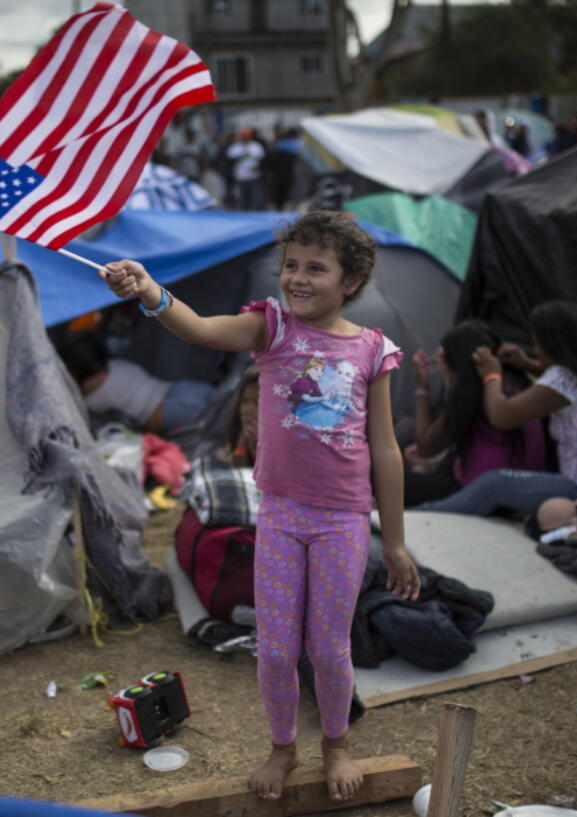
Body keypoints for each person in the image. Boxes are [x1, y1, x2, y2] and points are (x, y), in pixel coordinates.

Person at [99, 210, 420, 802]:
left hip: (343, 521)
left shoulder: (374, 350)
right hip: (280, 515)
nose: (298, 278)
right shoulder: (271, 329)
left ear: (350, 282)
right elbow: (196, 328)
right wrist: (148, 290)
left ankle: (335, 744)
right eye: (291, 265)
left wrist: (394, 541)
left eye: (315, 268)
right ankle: (282, 747)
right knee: (274, 648)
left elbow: (386, 448)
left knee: (327, 647)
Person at [418, 301, 577, 526]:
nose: (535, 350)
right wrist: (528, 364)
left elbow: (501, 416)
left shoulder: (565, 380)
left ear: (555, 346)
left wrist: (491, 374)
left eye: (537, 345)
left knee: (492, 484)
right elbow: (563, 384)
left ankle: (419, 519)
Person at [407, 320, 547, 507]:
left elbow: (425, 446)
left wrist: (421, 387)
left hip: (482, 494)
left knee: (384, 478)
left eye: (443, 359)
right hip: (523, 491)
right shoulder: (517, 386)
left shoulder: (472, 395)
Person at [58, 332, 218, 436]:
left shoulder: (92, 397)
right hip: (182, 389)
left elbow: (155, 423)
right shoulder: (117, 364)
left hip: (171, 408)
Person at [226, 128, 265, 211]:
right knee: (243, 200)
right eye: (244, 136)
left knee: (256, 200)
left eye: (247, 136)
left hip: (254, 177)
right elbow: (229, 161)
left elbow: (263, 160)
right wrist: (242, 157)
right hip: (241, 177)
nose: (245, 138)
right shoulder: (235, 148)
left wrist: (259, 167)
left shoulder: (256, 146)